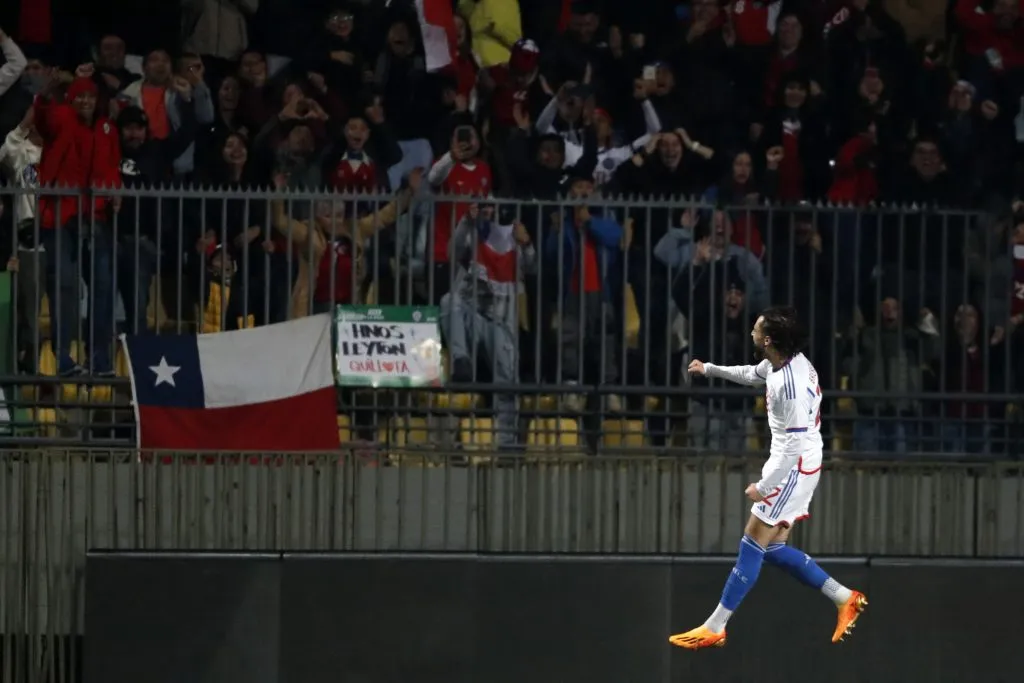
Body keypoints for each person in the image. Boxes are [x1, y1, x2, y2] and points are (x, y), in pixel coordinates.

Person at [668, 306, 867, 650]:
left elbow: (791, 448)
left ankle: (715, 626)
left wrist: (763, 488)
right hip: (802, 460)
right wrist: (710, 369)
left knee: (751, 540)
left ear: (769, 340)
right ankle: (844, 597)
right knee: (772, 548)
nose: (751, 333)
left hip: (794, 466)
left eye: (756, 329)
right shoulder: (786, 361)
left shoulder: (790, 386)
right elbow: (751, 373)